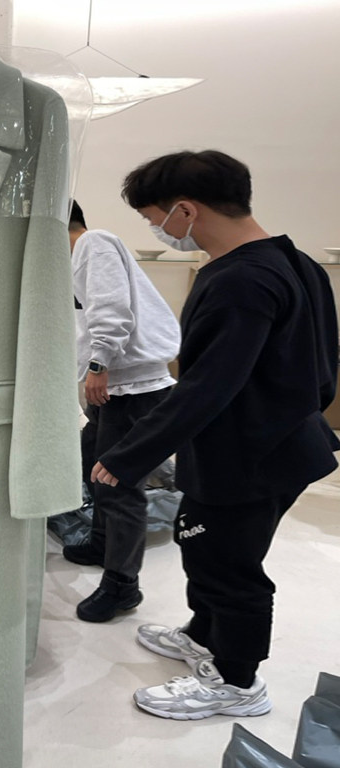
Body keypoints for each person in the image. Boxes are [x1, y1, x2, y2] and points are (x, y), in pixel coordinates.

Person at [90, 150, 339, 719]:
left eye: (154, 217)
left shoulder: (238, 280)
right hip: (286, 443)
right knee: (204, 545)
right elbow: (325, 363)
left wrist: (129, 455)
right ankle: (205, 635)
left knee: (227, 565)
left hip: (249, 454)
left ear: (185, 210)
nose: (157, 229)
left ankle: (237, 681)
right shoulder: (294, 260)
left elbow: (208, 385)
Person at [62, 201, 180, 623]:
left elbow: (112, 308)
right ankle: (101, 545)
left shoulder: (93, 243)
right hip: (118, 384)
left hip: (132, 388)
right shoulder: (79, 254)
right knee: (93, 466)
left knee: (118, 484)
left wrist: (99, 365)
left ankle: (122, 585)